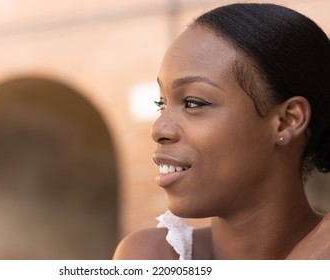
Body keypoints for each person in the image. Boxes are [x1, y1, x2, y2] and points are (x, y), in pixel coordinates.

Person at [113, 3, 330, 260]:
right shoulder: (150, 256)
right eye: (161, 104)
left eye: (193, 103)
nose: (158, 129)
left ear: (287, 120)